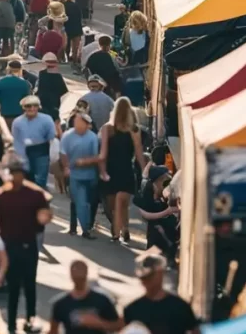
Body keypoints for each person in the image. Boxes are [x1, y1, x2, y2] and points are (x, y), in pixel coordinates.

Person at [0, 157, 51, 334]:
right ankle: (11, 322)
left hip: (28, 244)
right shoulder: (0, 196)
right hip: (9, 245)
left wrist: (43, 217)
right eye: (13, 173)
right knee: (14, 286)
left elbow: (45, 214)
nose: (15, 177)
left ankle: (30, 319)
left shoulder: (34, 194)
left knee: (29, 284)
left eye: (18, 173)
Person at [123, 254, 200, 334]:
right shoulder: (132, 309)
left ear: (160, 273)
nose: (145, 282)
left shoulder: (180, 306)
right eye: (143, 278)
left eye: (149, 277)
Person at [99, 97, 145, 243]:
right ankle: (124, 228)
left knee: (115, 204)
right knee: (122, 203)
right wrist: (145, 171)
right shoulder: (134, 129)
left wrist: (102, 170)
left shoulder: (107, 128)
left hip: (111, 169)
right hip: (126, 169)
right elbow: (139, 152)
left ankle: (117, 232)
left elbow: (103, 152)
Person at [60, 112, 100, 239]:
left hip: (90, 174)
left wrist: (85, 162)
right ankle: (76, 228)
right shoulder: (67, 136)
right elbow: (63, 153)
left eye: (80, 122)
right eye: (76, 121)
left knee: (89, 201)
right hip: (74, 175)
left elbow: (96, 157)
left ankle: (88, 225)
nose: (77, 124)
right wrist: (66, 167)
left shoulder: (92, 137)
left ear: (87, 125)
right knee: (76, 200)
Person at [134, 164, 180, 260]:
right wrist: (167, 212)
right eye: (165, 179)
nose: (168, 182)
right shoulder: (146, 196)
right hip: (156, 233)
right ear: (157, 181)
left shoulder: (165, 194)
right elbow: (144, 214)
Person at [10, 94, 57, 188]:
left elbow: (51, 137)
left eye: (35, 105)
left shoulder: (47, 119)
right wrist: (19, 157)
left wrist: (52, 155)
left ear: (38, 107)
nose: (32, 108)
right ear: (24, 107)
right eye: (28, 106)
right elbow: (17, 141)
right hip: (24, 151)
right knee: (26, 179)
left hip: (41, 150)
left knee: (40, 180)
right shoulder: (17, 122)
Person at [0, 58, 30, 129]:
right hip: (20, 117)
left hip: (5, 117)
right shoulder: (24, 84)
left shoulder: (1, 82)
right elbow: (28, 101)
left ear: (8, 69)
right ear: (20, 70)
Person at [34, 51, 68, 128]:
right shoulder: (58, 75)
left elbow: (38, 89)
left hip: (43, 104)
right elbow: (64, 91)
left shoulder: (41, 74)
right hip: (55, 105)